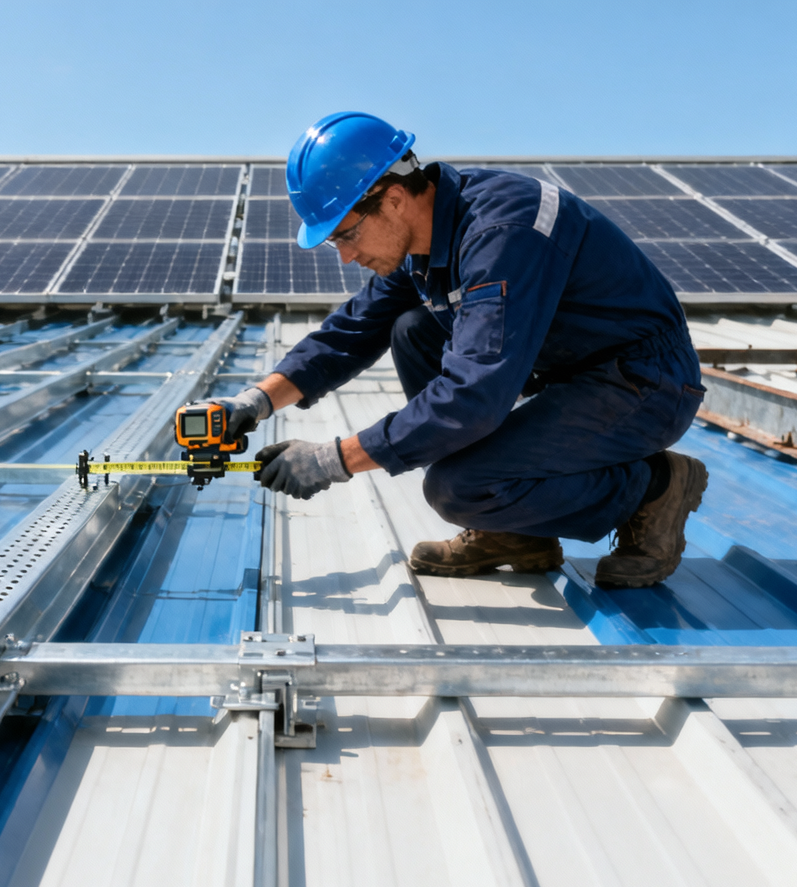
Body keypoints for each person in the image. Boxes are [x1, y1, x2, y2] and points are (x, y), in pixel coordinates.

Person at [210, 111, 708, 588]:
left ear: (393, 199)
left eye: (345, 234)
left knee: (458, 487)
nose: (345, 256)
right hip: (570, 372)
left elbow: (473, 395)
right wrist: (254, 401)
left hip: (643, 381)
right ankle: (514, 532)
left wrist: (332, 460)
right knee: (412, 329)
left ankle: (652, 487)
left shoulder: (501, 233)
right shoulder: (427, 238)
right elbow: (353, 330)